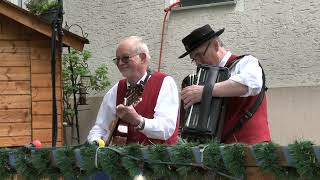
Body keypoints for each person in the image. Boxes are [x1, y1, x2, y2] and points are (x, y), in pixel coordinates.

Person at [179, 24, 271, 144]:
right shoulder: (202, 79)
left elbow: (253, 84)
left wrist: (205, 91)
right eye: (194, 59)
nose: (198, 63)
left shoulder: (245, 62)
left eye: (200, 55)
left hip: (252, 148)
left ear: (216, 45)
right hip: (219, 151)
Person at [87, 36, 179, 145]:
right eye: (117, 59)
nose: (120, 63)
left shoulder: (164, 82)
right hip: (123, 159)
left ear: (143, 58)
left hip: (159, 159)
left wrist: (137, 120)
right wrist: (94, 142)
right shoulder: (117, 89)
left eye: (125, 58)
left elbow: (166, 129)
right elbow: (100, 127)